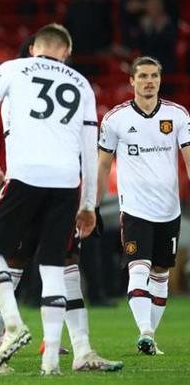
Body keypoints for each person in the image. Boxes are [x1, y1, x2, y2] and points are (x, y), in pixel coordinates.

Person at [0, 36, 122, 374]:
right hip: (50, 186)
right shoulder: (28, 92)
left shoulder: (12, 79)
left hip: (31, 185)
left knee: (65, 264)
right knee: (18, 267)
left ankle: (81, 350)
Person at [97, 56, 190, 356]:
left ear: (160, 80)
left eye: (154, 76)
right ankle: (145, 331)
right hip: (135, 208)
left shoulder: (178, 116)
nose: (149, 81)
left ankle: (150, 338)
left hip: (169, 210)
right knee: (139, 267)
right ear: (132, 81)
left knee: (161, 273)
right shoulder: (115, 119)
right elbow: (102, 166)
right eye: (143, 76)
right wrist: (93, 204)